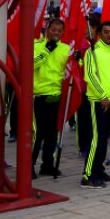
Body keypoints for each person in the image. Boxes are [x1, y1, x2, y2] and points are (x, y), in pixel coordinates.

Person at [78, 19, 110, 188]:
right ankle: (87, 175)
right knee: (95, 139)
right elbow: (89, 75)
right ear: (99, 33)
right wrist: (102, 95)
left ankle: (99, 170)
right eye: (106, 32)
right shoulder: (92, 52)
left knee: (104, 138)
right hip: (97, 101)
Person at [30, 18, 71, 178]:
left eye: (59, 31)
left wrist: (78, 57)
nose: (56, 33)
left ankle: (47, 165)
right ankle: (29, 166)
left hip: (57, 95)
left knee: (53, 132)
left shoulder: (66, 49)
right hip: (39, 95)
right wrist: (46, 50)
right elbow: (31, 64)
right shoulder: (36, 46)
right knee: (38, 132)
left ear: (63, 33)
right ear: (47, 30)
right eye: (53, 30)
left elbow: (73, 69)